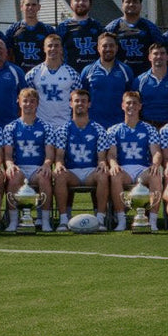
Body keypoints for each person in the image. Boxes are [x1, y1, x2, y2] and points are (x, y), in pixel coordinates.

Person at [50, 89, 112, 230]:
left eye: (83, 101)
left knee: (103, 174)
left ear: (89, 104)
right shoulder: (63, 130)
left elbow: (101, 158)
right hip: (72, 172)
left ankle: (100, 220)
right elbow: (59, 156)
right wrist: (59, 165)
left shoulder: (98, 129)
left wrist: (102, 164)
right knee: (59, 174)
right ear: (70, 104)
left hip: (91, 171)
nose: (80, 104)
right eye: (76, 101)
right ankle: (64, 220)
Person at [105, 91, 165, 232]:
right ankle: (120, 220)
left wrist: (155, 164)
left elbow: (156, 151)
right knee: (114, 175)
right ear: (122, 106)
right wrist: (113, 164)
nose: (131, 106)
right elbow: (111, 154)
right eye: (128, 103)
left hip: (142, 169)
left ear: (140, 106)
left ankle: (153, 221)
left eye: (134, 103)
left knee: (156, 175)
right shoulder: (113, 130)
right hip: (124, 168)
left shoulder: (149, 129)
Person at [1, 87, 57, 232]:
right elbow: (7, 155)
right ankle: (13, 221)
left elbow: (50, 154)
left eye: (32, 101)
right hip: (19, 166)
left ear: (37, 104)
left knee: (45, 177)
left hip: (37, 167)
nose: (28, 104)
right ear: (19, 102)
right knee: (13, 177)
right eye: (25, 101)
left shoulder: (46, 127)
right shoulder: (10, 127)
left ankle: (44, 221)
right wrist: (10, 165)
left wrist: (46, 165)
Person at [79, 32, 136, 130]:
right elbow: (82, 98)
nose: (108, 49)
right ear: (98, 48)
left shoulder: (126, 70)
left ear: (116, 48)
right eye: (104, 46)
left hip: (119, 126)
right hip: (94, 126)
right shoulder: (88, 71)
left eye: (111, 46)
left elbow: (132, 98)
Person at [24, 34, 80, 130]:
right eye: (50, 46)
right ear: (44, 49)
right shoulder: (33, 74)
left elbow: (77, 102)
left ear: (61, 49)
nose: (53, 48)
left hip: (64, 125)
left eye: (56, 45)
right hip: (41, 125)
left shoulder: (72, 75)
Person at [104, 0, 164, 77]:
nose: (131, 4)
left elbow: (161, 50)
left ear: (140, 5)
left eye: (135, 2)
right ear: (122, 5)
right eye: (128, 2)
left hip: (144, 76)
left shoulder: (150, 27)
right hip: (119, 76)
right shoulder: (112, 27)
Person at [136, 43, 168, 126]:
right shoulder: (139, 81)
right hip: (147, 126)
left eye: (162, 53)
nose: (159, 56)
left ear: (167, 57)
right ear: (149, 57)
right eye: (155, 54)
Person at [57, 0, 104, 71]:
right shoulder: (63, 27)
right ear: (71, 4)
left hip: (94, 74)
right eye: (77, 0)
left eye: (84, 0)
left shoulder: (98, 26)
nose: (81, 3)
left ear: (90, 3)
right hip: (70, 75)